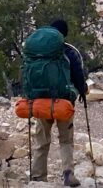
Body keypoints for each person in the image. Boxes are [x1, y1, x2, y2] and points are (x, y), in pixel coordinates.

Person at [31, 19, 87, 187]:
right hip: (63, 104)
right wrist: (82, 91)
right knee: (66, 140)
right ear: (64, 34)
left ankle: (38, 177)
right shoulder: (69, 52)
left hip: (41, 102)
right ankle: (68, 174)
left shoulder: (37, 52)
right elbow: (78, 75)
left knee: (41, 140)